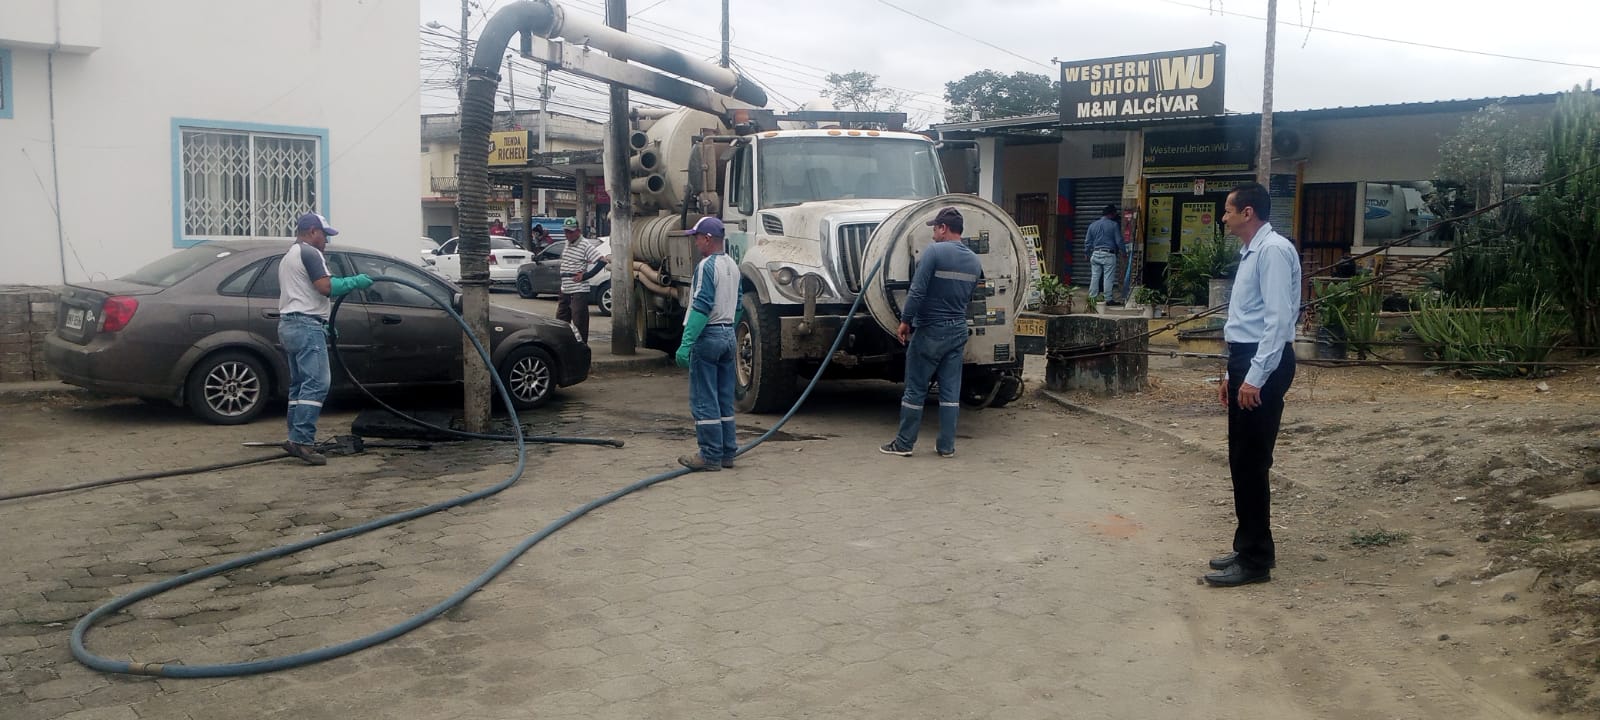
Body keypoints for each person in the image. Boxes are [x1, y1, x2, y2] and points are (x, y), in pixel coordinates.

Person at [1205, 182, 1302, 587]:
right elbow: (1247, 320)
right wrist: (1233, 375)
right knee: (1241, 460)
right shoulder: (1251, 252)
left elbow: (1277, 322)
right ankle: (1247, 546)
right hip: (1247, 359)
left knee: (1251, 461)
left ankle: (1256, 560)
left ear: (1248, 213)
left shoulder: (1273, 251)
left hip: (1265, 362)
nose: (1223, 217)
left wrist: (1255, 377)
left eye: (1228, 210)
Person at [879, 206, 981, 459]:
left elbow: (917, 291)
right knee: (950, 392)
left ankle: (904, 444)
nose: (933, 234)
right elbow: (970, 297)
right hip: (958, 330)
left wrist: (905, 321)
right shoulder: (974, 260)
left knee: (915, 388)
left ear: (944, 228)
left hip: (931, 330)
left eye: (935, 228)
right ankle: (946, 447)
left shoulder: (934, 252)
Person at [278, 212, 373, 466]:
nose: (326, 241)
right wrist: (355, 281)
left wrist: (324, 325)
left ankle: (294, 437)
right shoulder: (310, 253)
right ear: (312, 231)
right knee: (317, 383)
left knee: (300, 385)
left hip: (290, 324)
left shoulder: (290, 255)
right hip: (305, 325)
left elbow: (303, 293)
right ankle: (302, 441)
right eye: (324, 235)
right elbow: (326, 287)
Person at [673, 216, 739, 472]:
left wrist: (686, 343)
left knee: (704, 398)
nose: (696, 242)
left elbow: (701, 305)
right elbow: (739, 304)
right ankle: (727, 451)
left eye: (697, 237)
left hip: (709, 336)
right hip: (728, 335)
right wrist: (728, 331)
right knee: (724, 397)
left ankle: (710, 455)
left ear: (708, 239)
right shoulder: (733, 265)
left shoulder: (706, 266)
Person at [557, 217, 607, 343]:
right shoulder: (567, 243)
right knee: (561, 320)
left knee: (579, 320)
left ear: (577, 231)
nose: (568, 234)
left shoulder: (584, 244)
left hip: (578, 289)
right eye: (566, 231)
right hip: (565, 288)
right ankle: (563, 344)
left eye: (570, 232)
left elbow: (602, 261)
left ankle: (581, 346)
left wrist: (585, 276)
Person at [1085, 204, 1125, 303]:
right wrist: (1124, 252)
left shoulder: (1092, 225)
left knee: (1095, 277)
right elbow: (1119, 241)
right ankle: (1108, 299)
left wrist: (1087, 253)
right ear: (1112, 214)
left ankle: (1092, 298)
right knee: (1108, 277)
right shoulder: (1114, 225)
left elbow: (1088, 242)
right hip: (1108, 254)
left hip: (1095, 253)